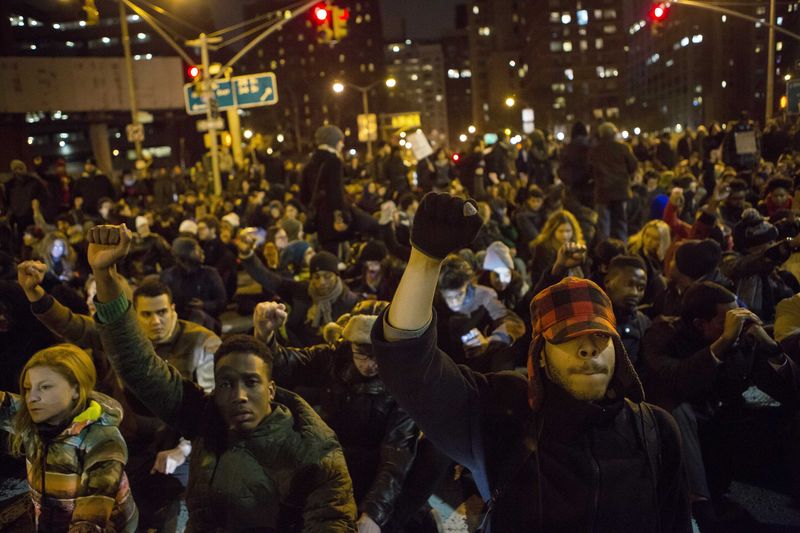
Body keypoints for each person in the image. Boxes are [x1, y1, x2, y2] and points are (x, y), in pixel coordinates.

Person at [372, 192, 690, 531]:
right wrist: (424, 259)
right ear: (539, 353)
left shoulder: (655, 430)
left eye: (599, 335)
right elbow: (410, 364)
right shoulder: (504, 415)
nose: (588, 349)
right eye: (566, 336)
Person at [84, 224, 357, 531]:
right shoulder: (206, 420)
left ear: (271, 389)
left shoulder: (314, 449)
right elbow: (139, 367)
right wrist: (105, 277)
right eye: (226, 384)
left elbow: (332, 522)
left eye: (251, 382)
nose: (239, 394)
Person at [18, 264, 221, 531]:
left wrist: (182, 450)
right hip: (128, 440)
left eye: (162, 312)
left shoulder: (202, 342)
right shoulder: (121, 339)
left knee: (165, 511)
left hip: (174, 446)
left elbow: (210, 408)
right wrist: (35, 295)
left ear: (174, 310)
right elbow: (73, 325)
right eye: (146, 314)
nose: (156, 321)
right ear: (134, 316)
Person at [639, 282, 800, 529]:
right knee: (676, 411)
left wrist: (771, 348)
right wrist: (723, 342)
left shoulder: (741, 340)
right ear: (699, 324)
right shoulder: (664, 334)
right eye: (728, 320)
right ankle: (699, 509)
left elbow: (790, 390)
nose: (737, 326)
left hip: (723, 419)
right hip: (680, 425)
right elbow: (673, 381)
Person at [254, 300, 421, 533]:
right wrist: (265, 335)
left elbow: (397, 453)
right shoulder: (335, 356)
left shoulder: (403, 382)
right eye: (361, 353)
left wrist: (374, 512)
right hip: (329, 455)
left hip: (373, 468)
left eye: (378, 355)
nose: (370, 364)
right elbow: (286, 365)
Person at [0, 344, 138, 532]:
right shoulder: (33, 418)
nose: (31, 397)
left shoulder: (102, 440)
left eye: (45, 387)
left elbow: (92, 517)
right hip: (49, 519)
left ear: (75, 389)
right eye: (27, 387)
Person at [160, 236, 228, 329]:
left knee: (197, 315)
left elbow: (222, 302)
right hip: (177, 321)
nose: (202, 251)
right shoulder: (168, 276)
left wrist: (204, 305)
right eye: (197, 249)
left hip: (208, 321)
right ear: (186, 254)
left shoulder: (209, 273)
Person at [588, 122, 638, 241]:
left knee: (603, 223)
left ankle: (604, 249)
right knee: (620, 221)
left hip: (602, 190)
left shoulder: (595, 151)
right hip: (620, 189)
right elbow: (633, 165)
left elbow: (589, 169)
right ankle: (622, 247)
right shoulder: (622, 148)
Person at [528, 209, 585, 284]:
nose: (565, 235)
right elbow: (537, 276)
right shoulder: (543, 248)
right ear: (553, 231)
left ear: (573, 231)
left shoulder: (577, 247)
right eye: (560, 231)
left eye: (568, 231)